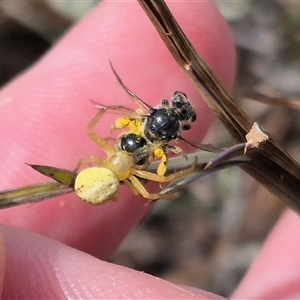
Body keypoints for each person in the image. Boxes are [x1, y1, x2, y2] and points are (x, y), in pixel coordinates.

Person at [0, 1, 297, 298]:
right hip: (109, 174)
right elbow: (147, 189)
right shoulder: (135, 162)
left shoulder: (111, 152)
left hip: (107, 171)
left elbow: (94, 134)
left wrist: (108, 113)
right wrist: (165, 189)